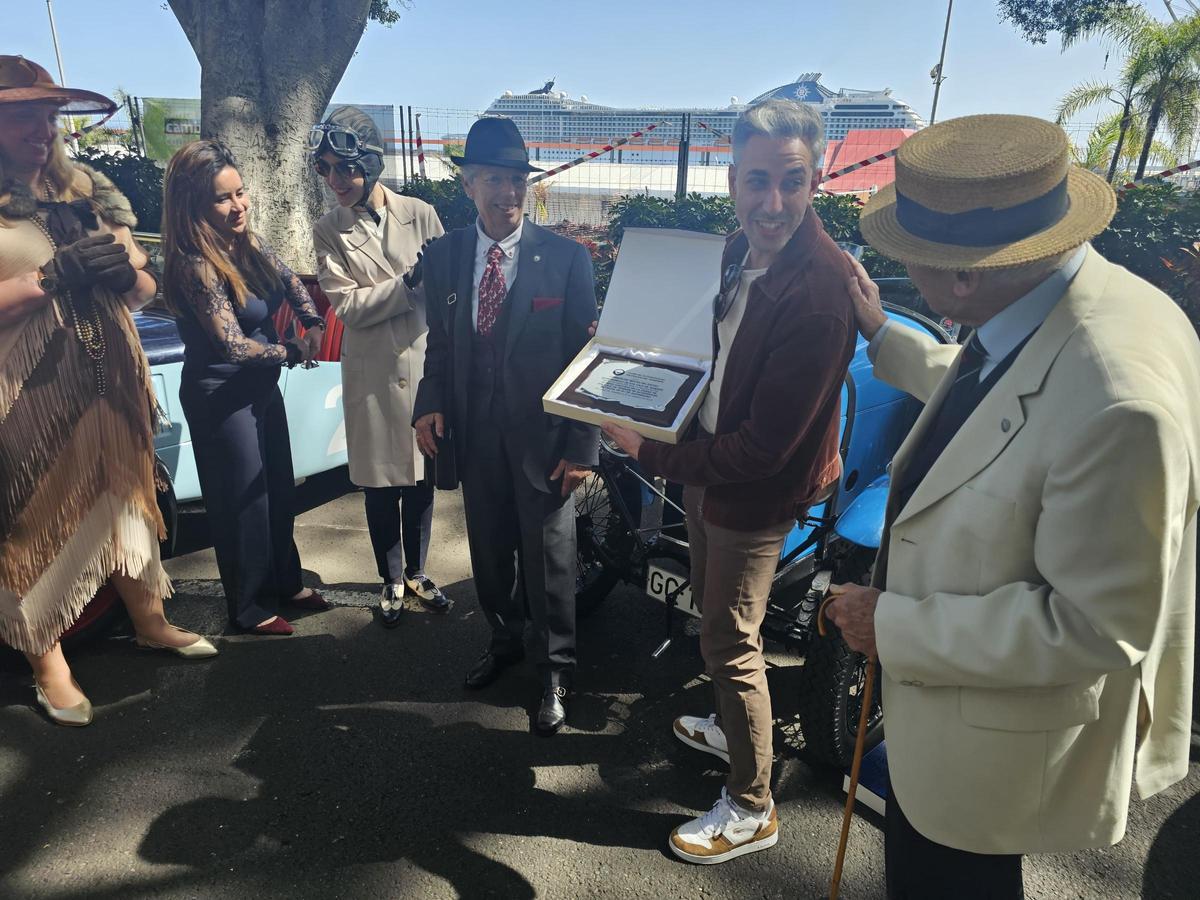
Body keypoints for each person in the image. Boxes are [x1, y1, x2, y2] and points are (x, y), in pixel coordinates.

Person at [825, 114, 1200, 899]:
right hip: (964, 717)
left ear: (964, 277)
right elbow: (998, 403)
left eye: (909, 259)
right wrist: (885, 336)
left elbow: (1098, 626)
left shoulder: (1118, 397)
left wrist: (887, 624)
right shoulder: (1065, 297)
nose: (898, 270)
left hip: (990, 748)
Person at [603, 98, 856, 864]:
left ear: (817, 179)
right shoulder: (735, 252)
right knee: (716, 625)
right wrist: (621, 345)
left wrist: (650, 455)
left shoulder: (820, 287)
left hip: (750, 489)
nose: (771, 204)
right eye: (756, 182)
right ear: (733, 178)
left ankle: (753, 804)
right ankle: (731, 729)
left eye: (790, 182)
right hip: (713, 471)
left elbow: (761, 453)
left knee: (732, 641)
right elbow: (692, 339)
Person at [0, 55, 217, 728]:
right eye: (22, 117)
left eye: (48, 117)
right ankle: (47, 659)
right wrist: (51, 277)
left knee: (129, 498)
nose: (42, 130)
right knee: (36, 515)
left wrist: (124, 272)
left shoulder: (81, 195)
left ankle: (149, 618)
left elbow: (146, 290)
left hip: (110, 375)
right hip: (28, 394)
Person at [413, 117, 597, 735]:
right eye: (495, 179)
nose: (508, 193)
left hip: (544, 441)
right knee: (489, 551)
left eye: (518, 180)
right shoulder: (443, 258)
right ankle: (503, 639)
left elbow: (583, 360)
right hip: (474, 434)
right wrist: (428, 403)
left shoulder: (568, 261)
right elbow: (440, 345)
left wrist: (582, 446)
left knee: (550, 559)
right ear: (469, 184)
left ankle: (554, 671)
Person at [162, 139, 329, 637]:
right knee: (243, 503)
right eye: (222, 198)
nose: (239, 206)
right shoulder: (196, 264)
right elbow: (232, 346)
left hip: (259, 390)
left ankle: (285, 582)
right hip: (221, 397)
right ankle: (249, 607)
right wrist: (295, 351)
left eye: (241, 193)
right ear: (194, 206)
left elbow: (290, 279)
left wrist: (312, 319)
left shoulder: (245, 243)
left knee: (279, 485)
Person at [311, 107, 448, 627]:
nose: (336, 181)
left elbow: (446, 291)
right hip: (370, 371)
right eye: (325, 169)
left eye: (344, 167)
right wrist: (409, 284)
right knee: (378, 483)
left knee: (420, 478)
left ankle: (417, 570)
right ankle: (389, 577)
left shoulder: (422, 212)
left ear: (370, 162)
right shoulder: (328, 230)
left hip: (422, 363)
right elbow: (347, 307)